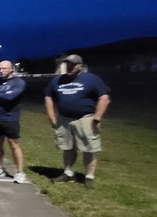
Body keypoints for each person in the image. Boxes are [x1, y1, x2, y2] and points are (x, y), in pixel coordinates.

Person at [44, 54, 111, 189]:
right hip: (64, 119)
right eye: (67, 64)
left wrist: (97, 118)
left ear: (80, 66)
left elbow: (104, 98)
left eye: (73, 65)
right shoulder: (58, 80)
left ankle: (89, 177)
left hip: (85, 119)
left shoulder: (91, 79)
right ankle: (68, 173)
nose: (69, 67)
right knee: (67, 148)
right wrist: (51, 115)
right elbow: (48, 96)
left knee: (89, 149)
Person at [0, 60, 27, 184]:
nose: (1, 71)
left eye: (4, 68)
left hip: (10, 118)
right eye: (0, 69)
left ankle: (19, 172)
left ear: (11, 69)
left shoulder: (19, 82)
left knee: (13, 144)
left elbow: (11, 97)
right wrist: (3, 93)